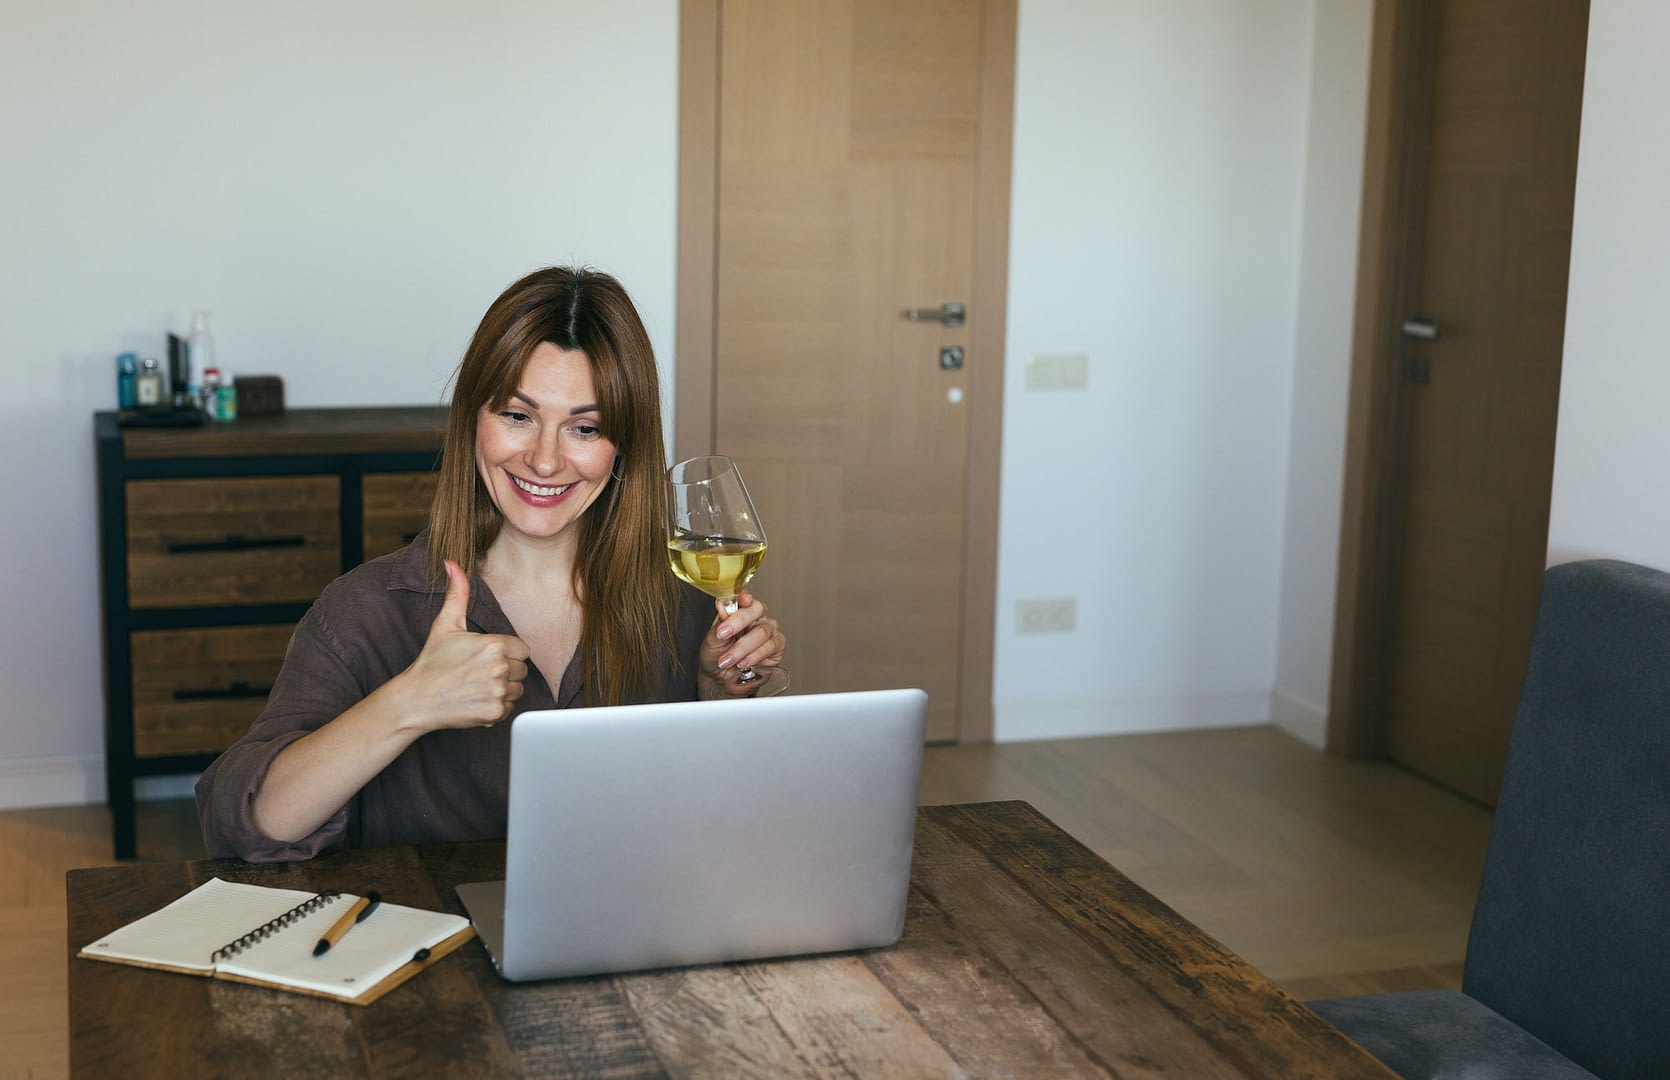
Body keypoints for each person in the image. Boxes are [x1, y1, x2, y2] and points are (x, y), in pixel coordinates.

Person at [196, 266, 787, 861]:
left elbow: (719, 828)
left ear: (622, 448)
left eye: (585, 428)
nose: (546, 460)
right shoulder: (366, 610)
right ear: (472, 420)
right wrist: (410, 703)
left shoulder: (682, 603)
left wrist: (715, 694)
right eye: (517, 416)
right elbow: (242, 825)